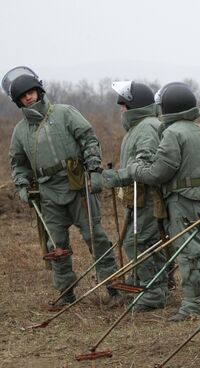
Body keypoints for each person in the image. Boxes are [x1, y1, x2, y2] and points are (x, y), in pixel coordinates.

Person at [6, 67, 121, 307]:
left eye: (31, 92)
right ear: (17, 101)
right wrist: (22, 185)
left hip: (78, 186)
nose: (28, 97)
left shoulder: (65, 113)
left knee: (95, 237)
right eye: (23, 95)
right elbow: (18, 163)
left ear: (39, 90)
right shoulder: (19, 132)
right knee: (56, 245)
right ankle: (66, 293)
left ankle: (113, 288)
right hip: (48, 192)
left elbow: (89, 139)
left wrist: (95, 171)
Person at [128, 82, 200, 322]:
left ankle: (195, 306)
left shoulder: (173, 133)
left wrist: (136, 168)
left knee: (190, 252)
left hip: (182, 199)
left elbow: (159, 172)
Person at [102, 81, 169, 312]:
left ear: (134, 106)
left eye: (124, 106)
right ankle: (147, 284)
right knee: (143, 242)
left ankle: (153, 293)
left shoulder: (147, 127)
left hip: (149, 196)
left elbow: (145, 164)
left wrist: (116, 177)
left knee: (138, 242)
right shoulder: (137, 127)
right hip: (138, 196)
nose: (121, 110)